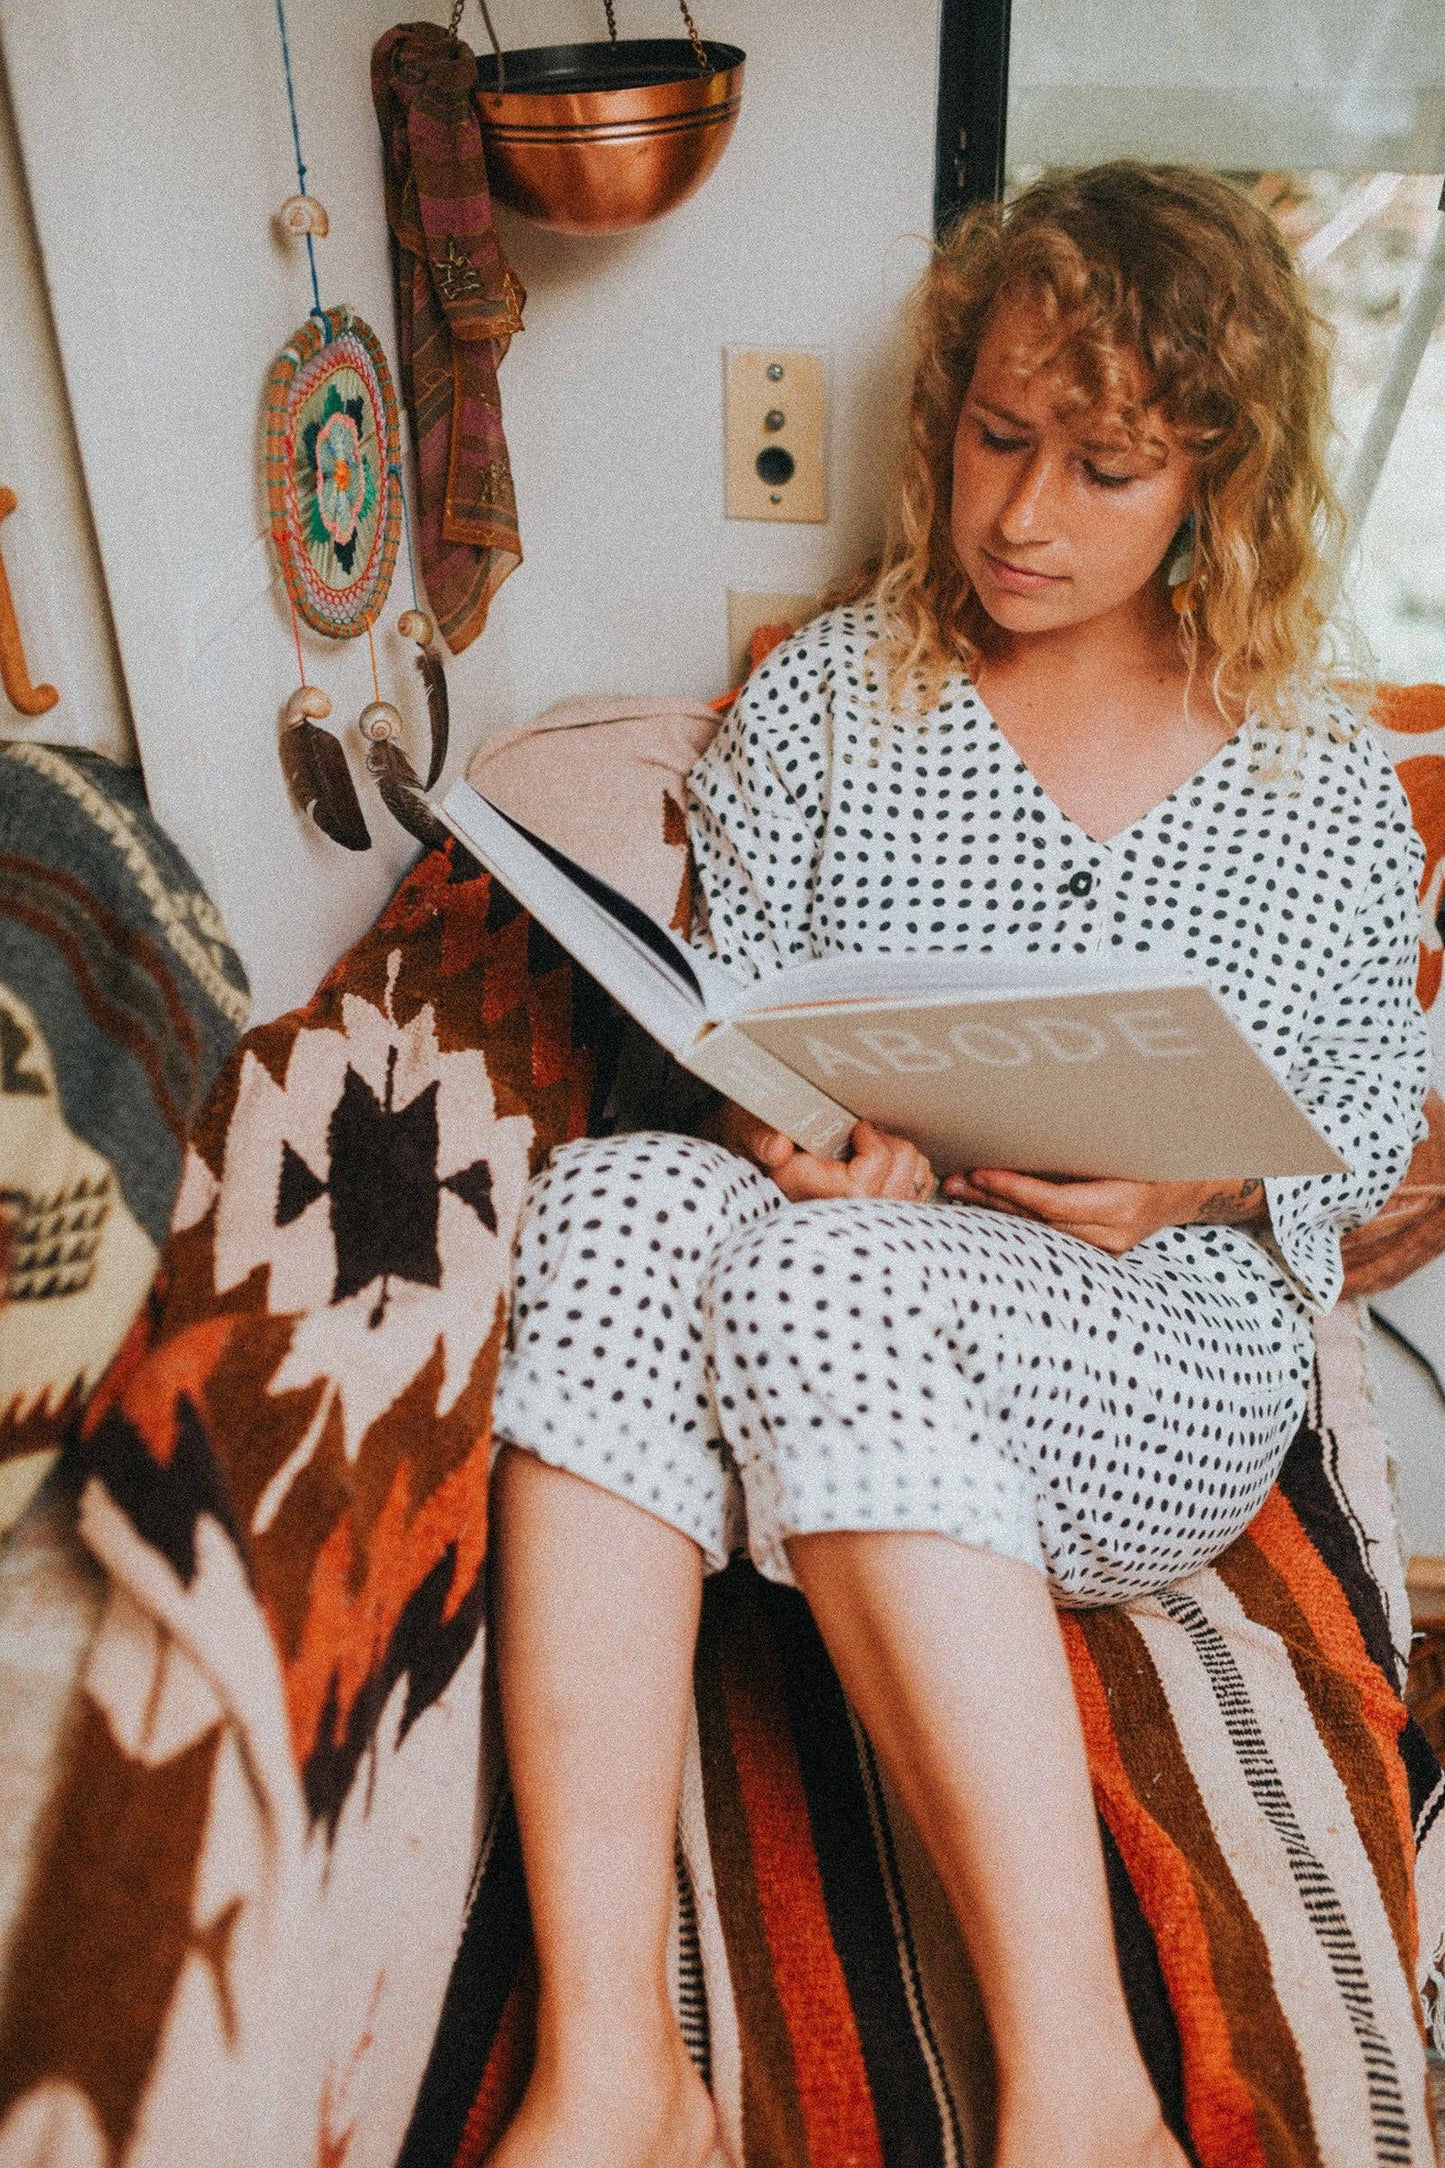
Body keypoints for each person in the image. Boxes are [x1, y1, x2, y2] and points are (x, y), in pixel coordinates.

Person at [484, 164, 1431, 2168]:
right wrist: (785, 1126)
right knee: (621, 1201)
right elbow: (719, 1010)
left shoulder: (1322, 775)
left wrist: (1183, 1185)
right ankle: (613, 2068)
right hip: (853, 1274)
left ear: (1210, 482)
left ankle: (1079, 2093)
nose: (1021, 515)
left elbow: (1360, 1127)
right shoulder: (835, 696)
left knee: (811, 1280)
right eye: (1000, 440)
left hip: (1160, 1346)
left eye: (1102, 468)